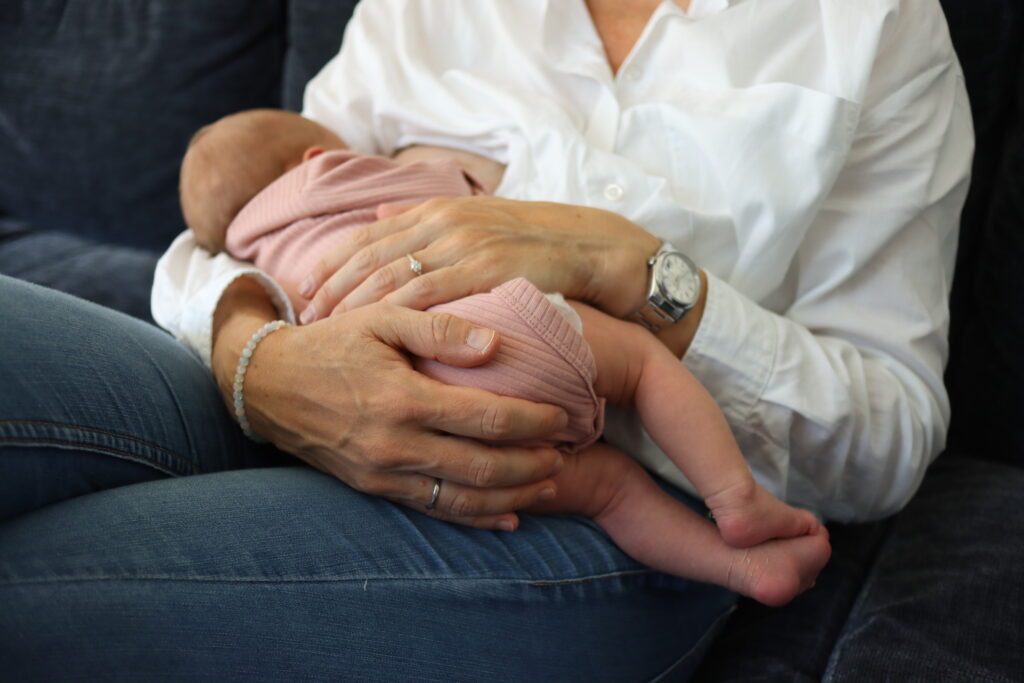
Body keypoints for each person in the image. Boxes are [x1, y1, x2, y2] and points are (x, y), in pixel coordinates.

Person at [1, 0, 972, 679]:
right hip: (290, 370)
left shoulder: (872, 25)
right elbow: (249, 215)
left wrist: (641, 273)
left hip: (560, 495)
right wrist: (258, 362)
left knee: (27, 595)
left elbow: (883, 437)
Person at [178, 108, 831, 605]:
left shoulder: (255, 260)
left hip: (415, 405)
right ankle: (736, 498)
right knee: (641, 362)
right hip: (496, 327)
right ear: (316, 154)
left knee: (606, 491)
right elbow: (457, 209)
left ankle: (743, 569)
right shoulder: (331, 174)